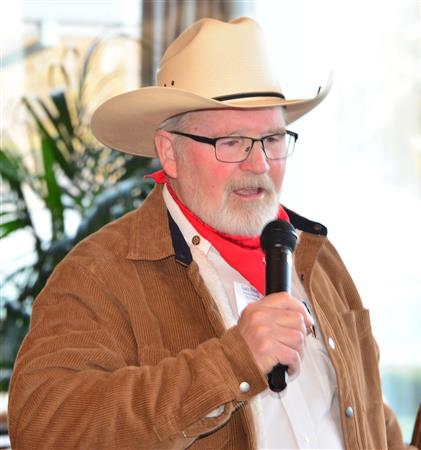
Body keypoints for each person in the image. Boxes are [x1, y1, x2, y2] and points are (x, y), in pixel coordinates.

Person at [8, 17, 416, 450]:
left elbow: (368, 419)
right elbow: (44, 427)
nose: (259, 164)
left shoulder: (318, 256)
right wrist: (232, 362)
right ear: (170, 152)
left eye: (273, 139)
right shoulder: (99, 275)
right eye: (232, 142)